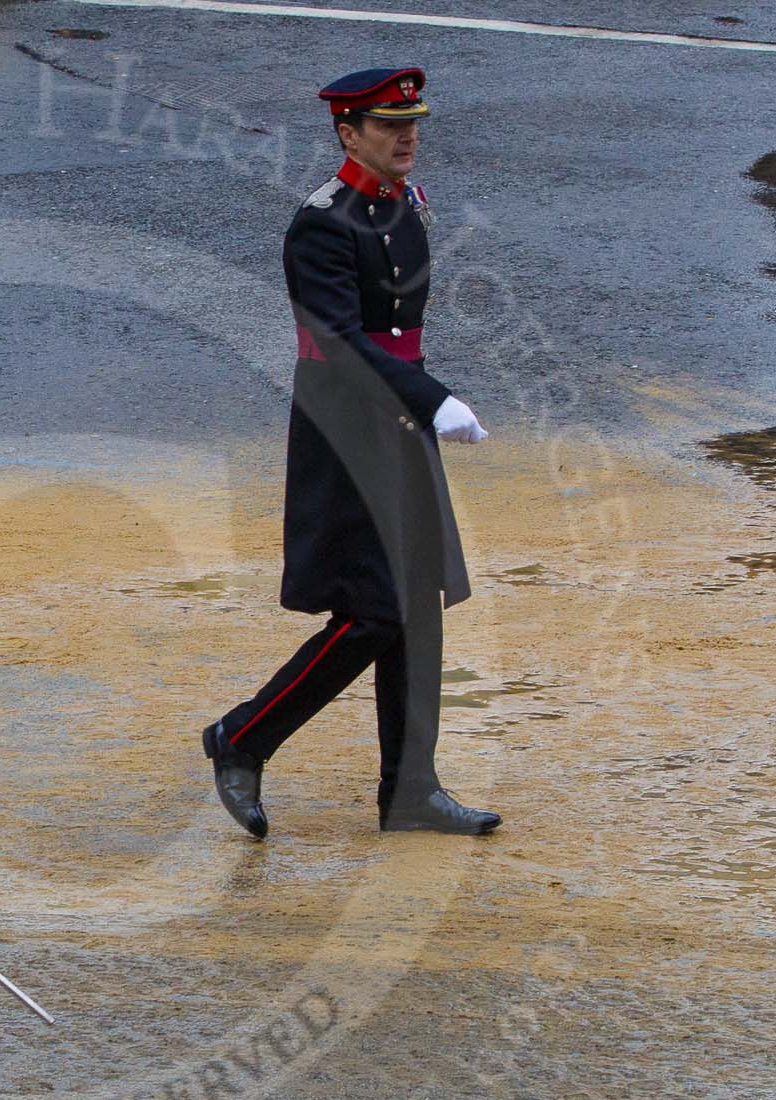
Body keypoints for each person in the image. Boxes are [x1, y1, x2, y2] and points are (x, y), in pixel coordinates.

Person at [203, 68, 502, 839]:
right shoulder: (322, 224)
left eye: (412, 123)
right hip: (346, 430)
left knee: (417, 608)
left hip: (399, 422)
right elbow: (337, 341)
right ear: (347, 133)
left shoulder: (406, 207)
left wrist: (421, 398)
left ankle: (411, 788)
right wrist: (430, 398)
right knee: (373, 612)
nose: (406, 136)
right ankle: (243, 735)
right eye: (387, 124)